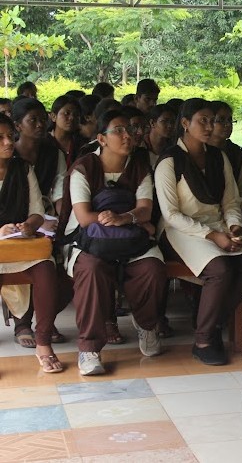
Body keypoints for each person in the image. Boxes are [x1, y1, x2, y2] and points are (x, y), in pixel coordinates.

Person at [155, 98, 242, 366]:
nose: (209, 126)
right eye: (201, 121)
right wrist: (213, 236)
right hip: (180, 231)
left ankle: (212, 319)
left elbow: (230, 201)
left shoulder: (219, 157)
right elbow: (171, 214)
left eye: (211, 121)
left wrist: (234, 226)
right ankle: (204, 339)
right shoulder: (169, 162)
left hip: (219, 224)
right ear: (185, 124)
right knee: (220, 270)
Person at [58, 109, 165, 375]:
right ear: (101, 139)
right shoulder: (84, 168)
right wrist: (118, 219)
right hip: (90, 240)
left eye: (130, 129)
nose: (127, 135)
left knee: (152, 268)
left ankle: (147, 326)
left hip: (131, 237)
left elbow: (145, 209)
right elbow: (84, 217)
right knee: (92, 270)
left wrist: (124, 218)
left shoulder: (140, 167)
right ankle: (89, 349)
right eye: (118, 130)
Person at [0, 114, 64, 373]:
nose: (7, 143)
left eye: (9, 137)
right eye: (0, 138)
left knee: (47, 269)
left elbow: (38, 211)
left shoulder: (23, 168)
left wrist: (29, 225)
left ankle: (44, 343)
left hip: (20, 246)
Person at [207, 100, 242, 213]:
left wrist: (233, 211)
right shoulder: (198, 150)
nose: (227, 124)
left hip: (233, 213)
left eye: (230, 120)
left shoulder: (236, 153)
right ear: (209, 122)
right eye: (221, 120)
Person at [48, 95, 86, 167]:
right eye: (67, 113)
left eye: (76, 115)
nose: (71, 118)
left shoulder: (82, 144)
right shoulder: (44, 143)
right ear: (53, 116)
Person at [145, 104, 177, 168]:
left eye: (173, 122)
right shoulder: (141, 145)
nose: (170, 125)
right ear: (152, 123)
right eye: (164, 121)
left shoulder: (174, 146)